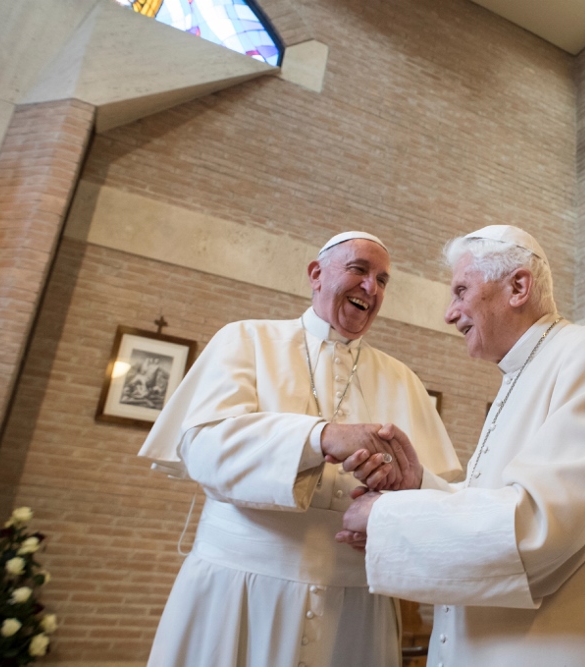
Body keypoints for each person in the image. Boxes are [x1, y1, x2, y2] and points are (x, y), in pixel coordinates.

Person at [337, 226, 585, 666]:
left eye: (461, 291)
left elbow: (540, 526)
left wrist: (384, 515)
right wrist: (420, 484)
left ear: (518, 287)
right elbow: (501, 504)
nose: (450, 313)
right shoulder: (519, 375)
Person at [138, 231, 462, 667]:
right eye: (359, 270)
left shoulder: (403, 379)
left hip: (354, 605)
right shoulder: (246, 340)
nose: (372, 287)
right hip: (239, 590)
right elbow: (203, 448)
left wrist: (391, 516)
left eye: (383, 280)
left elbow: (436, 493)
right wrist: (320, 436)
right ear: (315, 274)